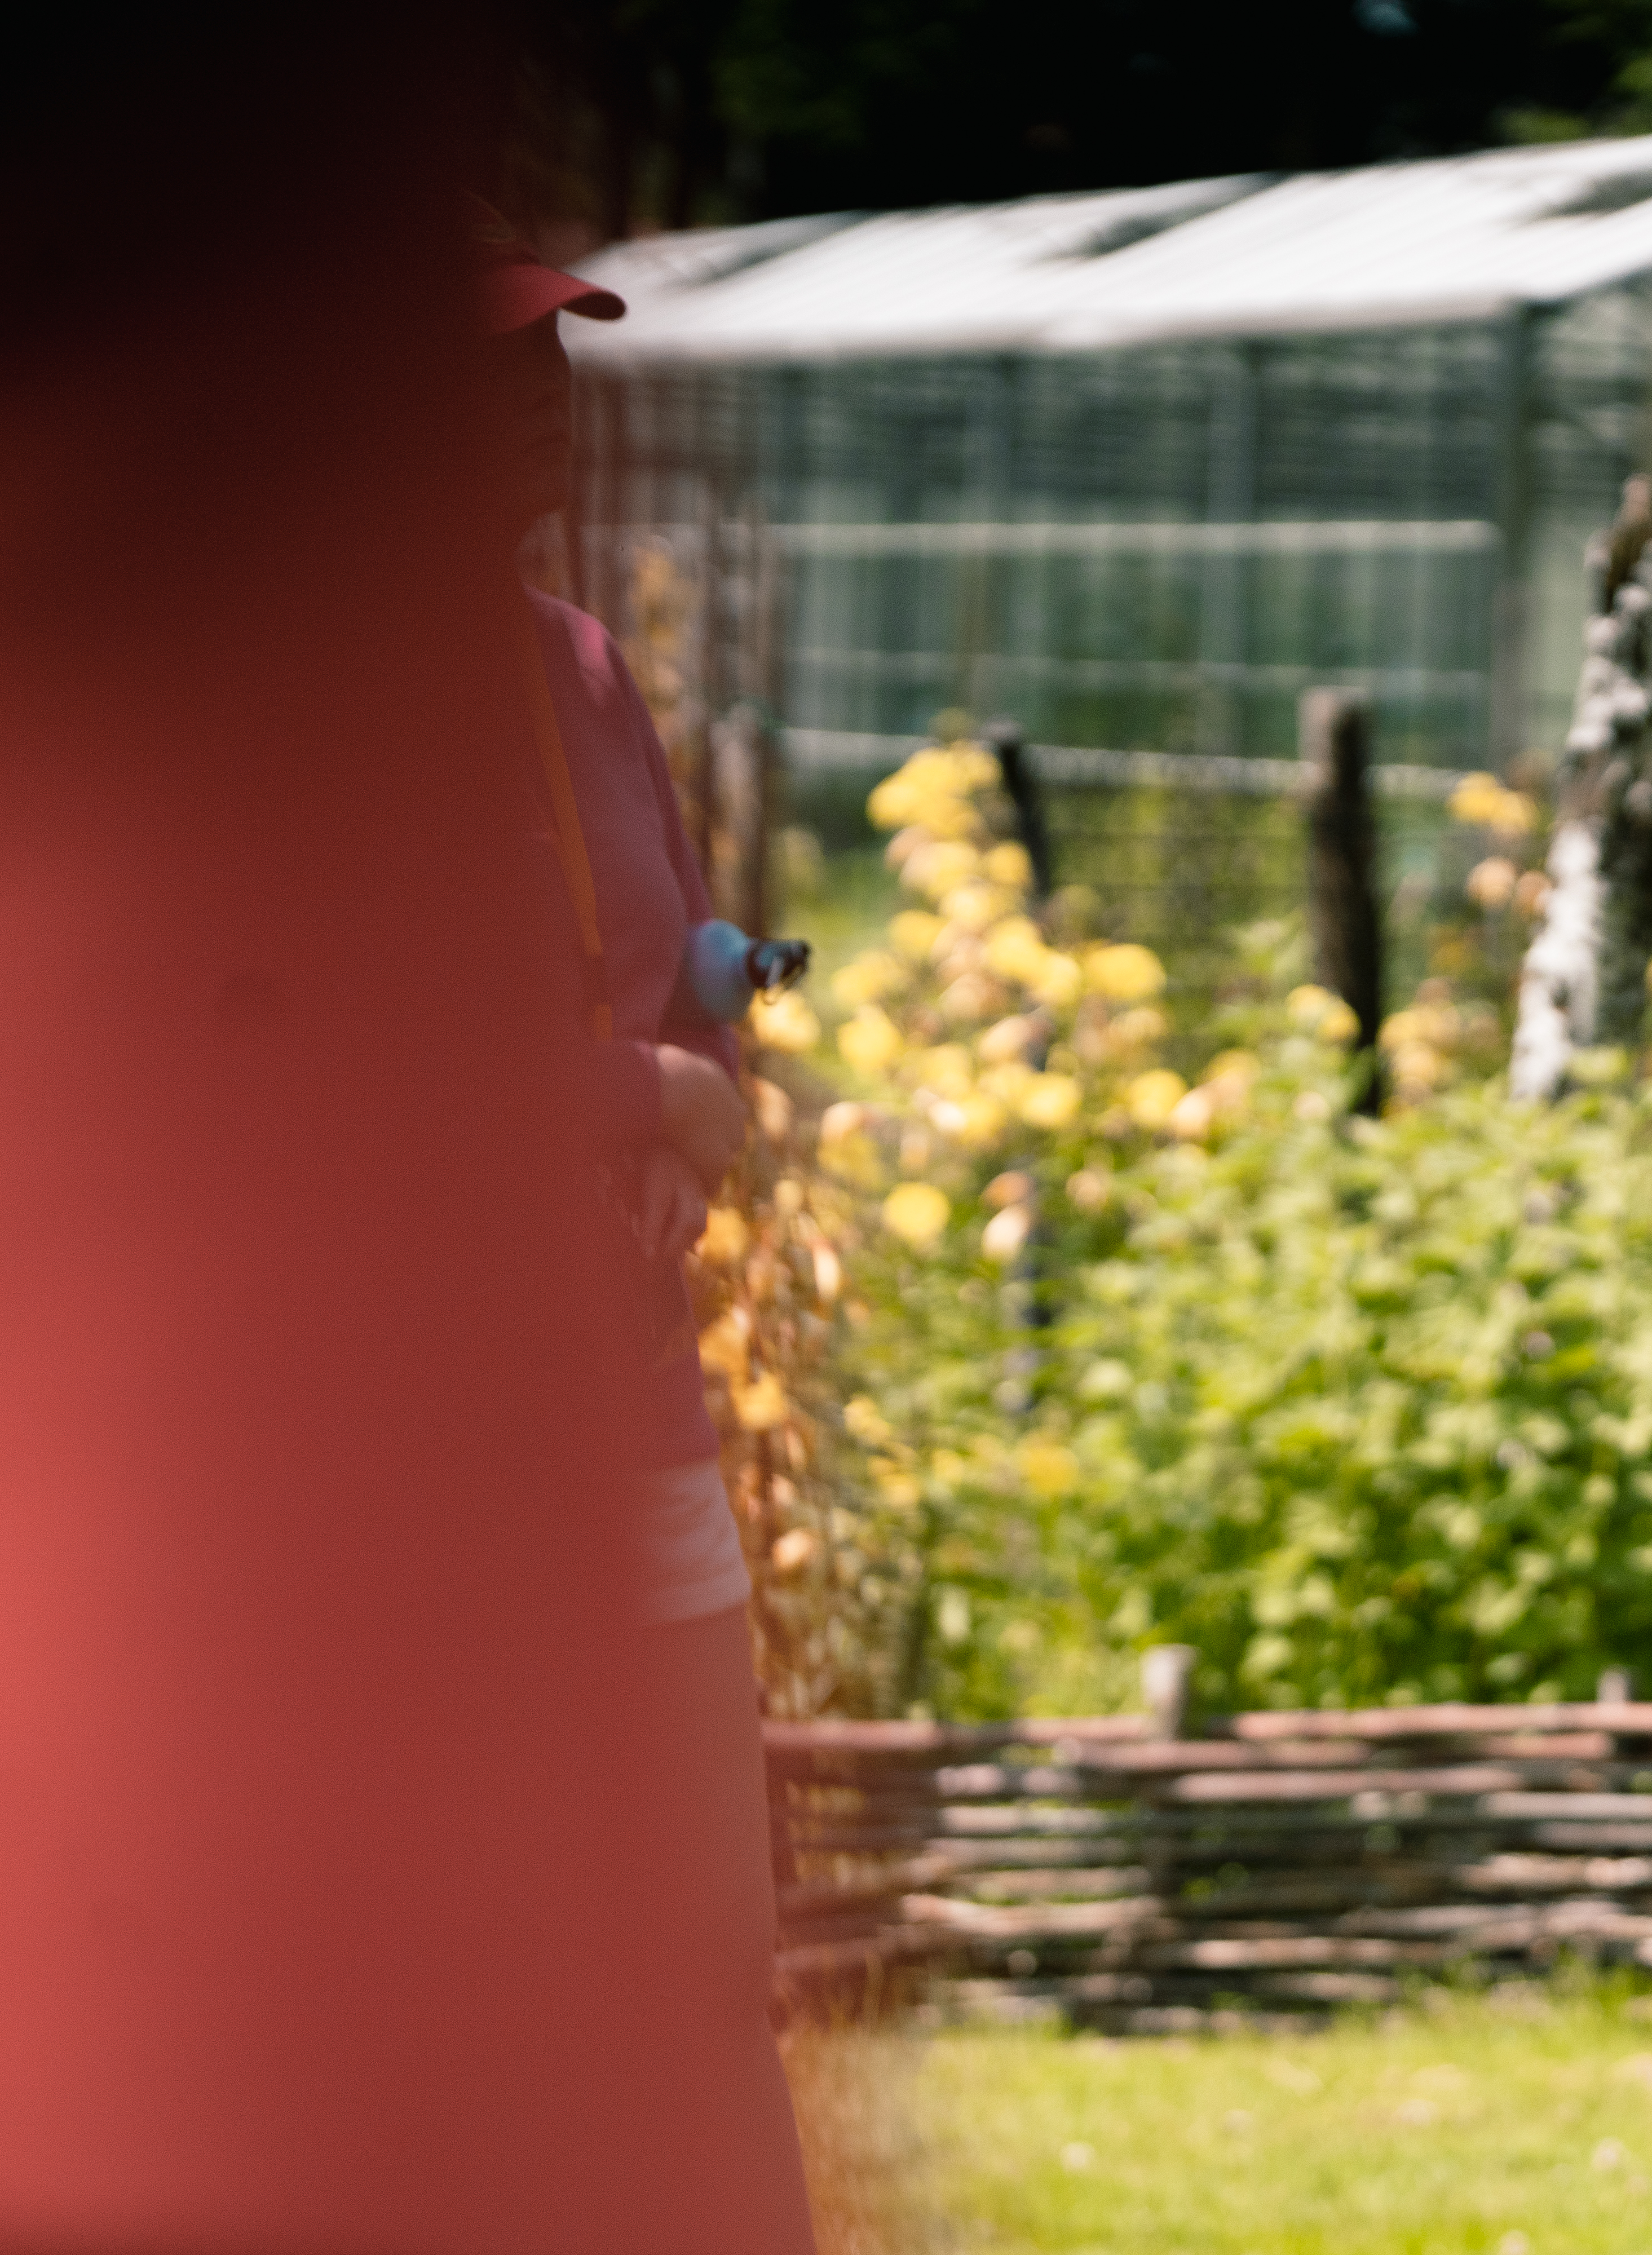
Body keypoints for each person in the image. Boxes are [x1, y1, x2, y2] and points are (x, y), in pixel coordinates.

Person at [472, 205, 821, 2252]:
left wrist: (734, 1054)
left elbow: (672, 951)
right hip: (392, 1448)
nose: (541, 402)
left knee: (704, 1957)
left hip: (627, 1401)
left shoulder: (575, 670)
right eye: (483, 368)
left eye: (555, 360)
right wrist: (644, 1098)